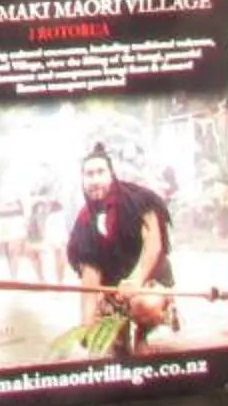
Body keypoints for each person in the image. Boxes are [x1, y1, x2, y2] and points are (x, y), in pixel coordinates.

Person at [65, 143, 176, 353]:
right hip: (113, 290)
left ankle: (143, 333)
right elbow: (90, 276)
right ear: (82, 180)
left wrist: (135, 280)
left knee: (145, 306)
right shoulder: (84, 221)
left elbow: (154, 246)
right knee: (110, 348)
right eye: (89, 174)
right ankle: (120, 333)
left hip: (149, 281)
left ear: (111, 174)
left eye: (100, 172)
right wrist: (86, 324)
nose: (95, 179)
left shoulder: (140, 200)